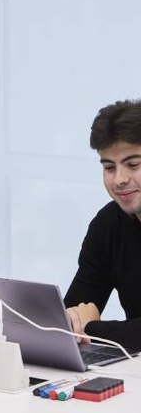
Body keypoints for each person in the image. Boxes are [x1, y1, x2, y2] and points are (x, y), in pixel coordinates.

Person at [64, 99, 141, 351]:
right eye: (109, 167)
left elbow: (85, 325)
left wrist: (92, 329)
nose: (119, 180)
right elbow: (74, 312)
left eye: (133, 164)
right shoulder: (108, 223)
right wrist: (75, 322)